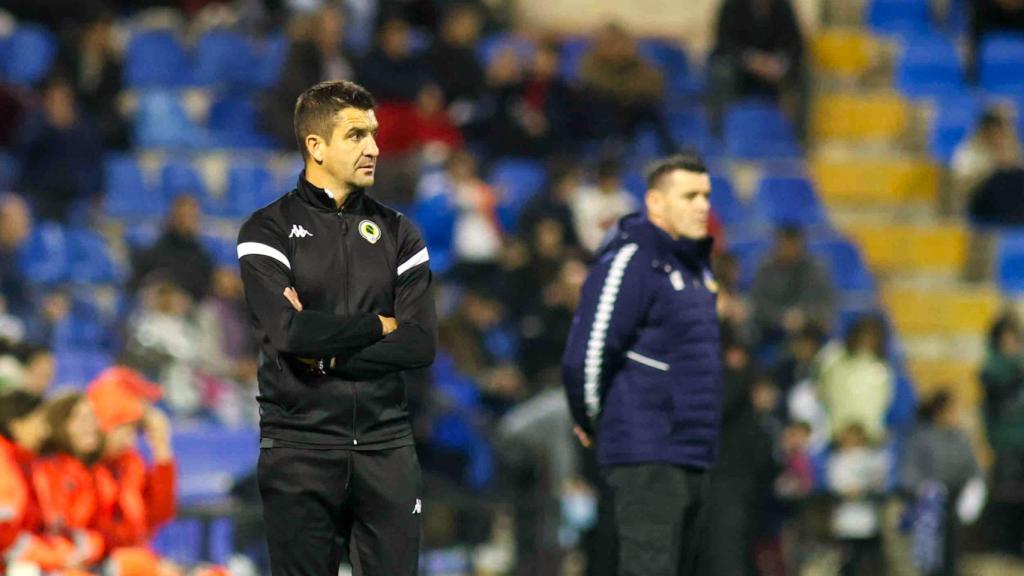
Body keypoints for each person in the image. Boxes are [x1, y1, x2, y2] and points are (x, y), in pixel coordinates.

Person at [236, 79, 436, 575]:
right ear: (316, 146)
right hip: (299, 447)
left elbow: (418, 343)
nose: (374, 148)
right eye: (355, 135)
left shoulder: (400, 233)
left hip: (386, 446)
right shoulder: (267, 230)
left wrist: (323, 355)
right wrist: (378, 324)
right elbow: (288, 333)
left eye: (373, 134)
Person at [562, 153, 722, 576]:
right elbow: (589, 350)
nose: (702, 206)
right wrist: (591, 419)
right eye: (689, 196)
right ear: (655, 202)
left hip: (693, 450)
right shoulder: (633, 259)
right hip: (648, 449)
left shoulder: (695, 269)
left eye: (706, 195)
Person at [902, 391, 985, 576]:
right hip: (928, 505)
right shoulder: (921, 437)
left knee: (951, 555)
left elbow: (973, 468)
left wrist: (975, 489)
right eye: (952, 410)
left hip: (954, 500)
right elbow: (909, 472)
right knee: (930, 557)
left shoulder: (961, 437)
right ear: (939, 412)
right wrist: (924, 489)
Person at [709, 0, 806, 140]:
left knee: (802, 74)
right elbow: (724, 43)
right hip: (741, 70)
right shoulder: (732, 6)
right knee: (723, 71)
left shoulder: (783, 7)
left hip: (773, 72)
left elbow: (795, 45)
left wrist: (780, 63)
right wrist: (751, 60)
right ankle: (719, 135)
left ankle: (797, 138)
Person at [750, 225, 835, 349]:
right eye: (784, 245)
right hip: (771, 328)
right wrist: (783, 317)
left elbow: (825, 302)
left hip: (808, 327)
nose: (788, 250)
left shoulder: (815, 270)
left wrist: (804, 316)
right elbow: (758, 303)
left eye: (792, 245)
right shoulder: (766, 269)